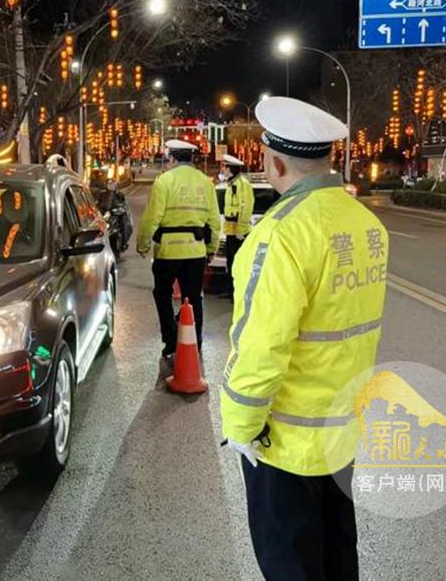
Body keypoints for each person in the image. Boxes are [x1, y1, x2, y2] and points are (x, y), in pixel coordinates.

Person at [219, 97, 389, 581]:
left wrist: (241, 426)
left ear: (274, 163)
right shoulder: (366, 224)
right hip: (342, 432)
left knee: (291, 564)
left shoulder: (281, 235)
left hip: (286, 445)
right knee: (337, 554)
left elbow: (261, 348)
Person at [136, 139, 220, 358]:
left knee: (162, 295)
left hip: (167, 252)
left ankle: (171, 340)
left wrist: (143, 244)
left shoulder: (164, 181)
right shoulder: (206, 182)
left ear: (172, 159)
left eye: (168, 159)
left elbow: (152, 218)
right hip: (196, 252)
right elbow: (214, 222)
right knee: (194, 298)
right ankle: (195, 340)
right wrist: (211, 249)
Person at [217, 154, 254, 299]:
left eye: (224, 167)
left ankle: (237, 292)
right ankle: (230, 291)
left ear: (230, 168)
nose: (223, 170)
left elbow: (245, 207)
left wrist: (240, 229)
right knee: (230, 262)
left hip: (239, 231)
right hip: (230, 230)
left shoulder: (242, 184)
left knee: (238, 263)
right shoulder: (231, 184)